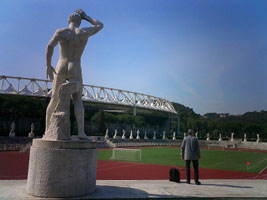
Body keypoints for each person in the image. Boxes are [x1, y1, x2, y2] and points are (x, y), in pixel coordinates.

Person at [45, 9, 103, 139]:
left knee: (54, 98)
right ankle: (81, 132)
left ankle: (47, 130)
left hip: (61, 64)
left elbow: (49, 46)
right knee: (77, 100)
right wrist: (86, 16)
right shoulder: (84, 32)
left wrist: (48, 65)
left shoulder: (62, 32)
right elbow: (100, 25)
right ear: (79, 21)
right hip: (75, 66)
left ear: (68, 20)